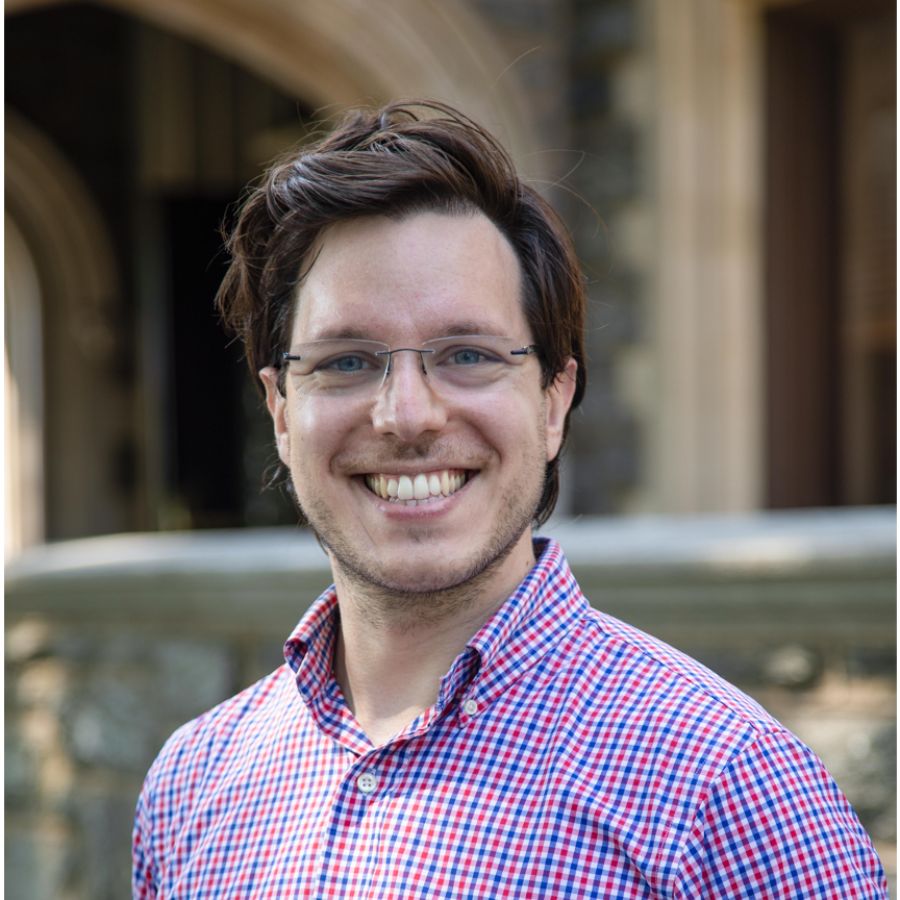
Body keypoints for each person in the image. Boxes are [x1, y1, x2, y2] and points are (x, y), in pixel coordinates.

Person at [132, 100, 886, 899]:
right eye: (347, 362)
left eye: (467, 354)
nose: (408, 415)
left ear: (554, 402)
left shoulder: (727, 791)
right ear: (282, 411)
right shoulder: (193, 786)